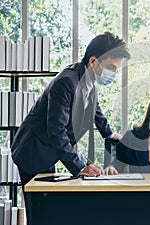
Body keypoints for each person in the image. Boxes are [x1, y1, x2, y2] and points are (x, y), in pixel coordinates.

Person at [11, 32, 130, 224]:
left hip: (48, 150)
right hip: (32, 150)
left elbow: (95, 110)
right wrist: (81, 167)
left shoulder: (88, 79)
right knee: (38, 210)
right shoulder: (67, 82)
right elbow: (56, 131)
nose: (113, 74)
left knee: (49, 207)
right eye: (111, 67)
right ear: (93, 61)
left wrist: (110, 133)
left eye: (117, 69)